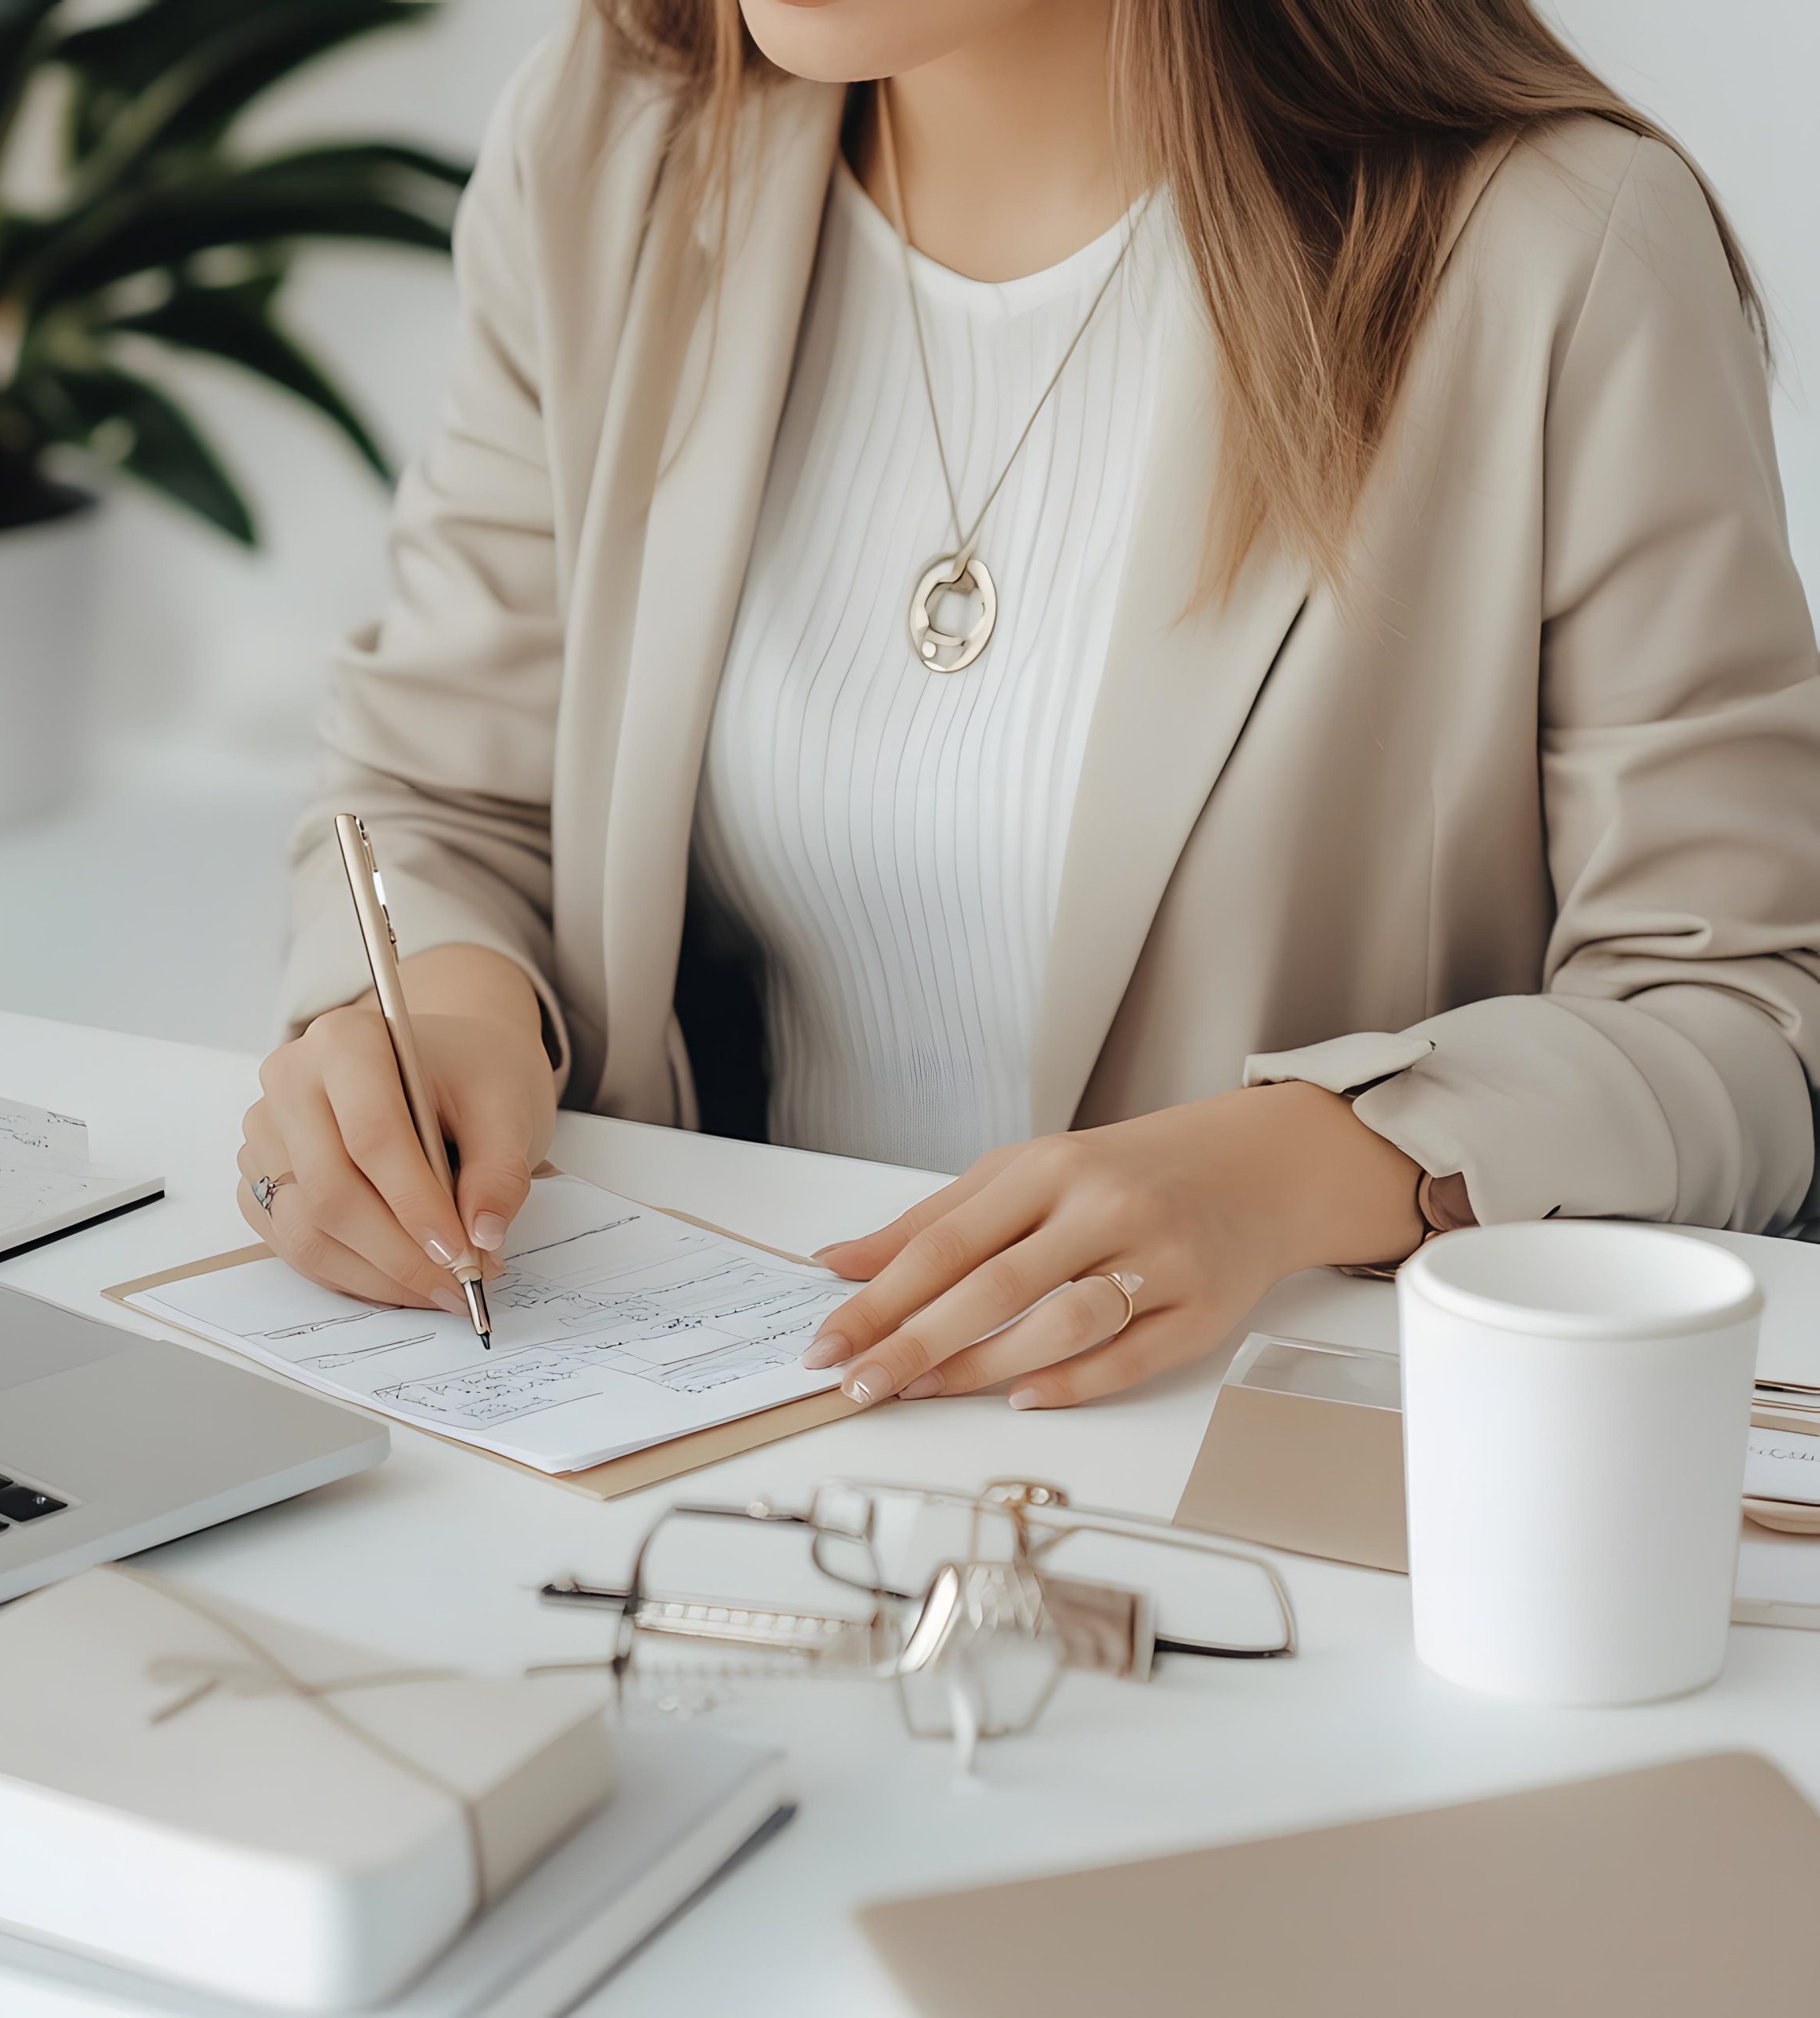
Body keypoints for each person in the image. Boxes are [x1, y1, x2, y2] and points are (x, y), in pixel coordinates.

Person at [240, 0, 1820, 1414]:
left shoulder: (1555, 246)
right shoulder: (615, 138)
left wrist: (1287, 1171)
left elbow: (1743, 1014)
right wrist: (440, 1015)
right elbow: (442, 792)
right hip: (711, 1417)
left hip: (1252, 1464)